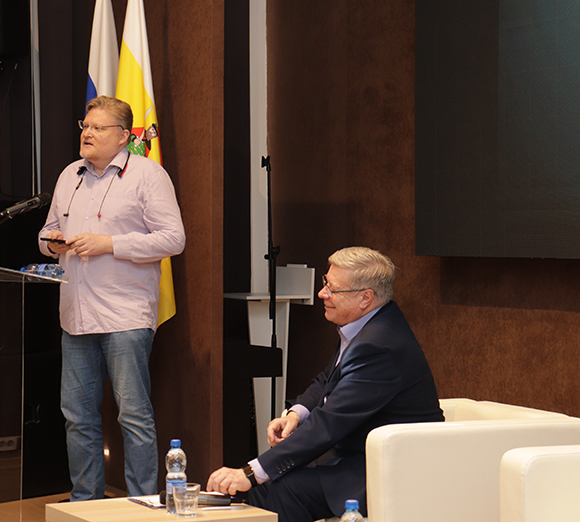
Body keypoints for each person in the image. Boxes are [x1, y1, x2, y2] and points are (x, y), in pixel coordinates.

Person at [207, 247, 443, 521]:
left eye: (333, 289)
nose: (322, 294)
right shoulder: (368, 323)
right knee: (267, 484)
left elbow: (329, 423)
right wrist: (296, 414)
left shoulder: (378, 346)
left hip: (392, 469)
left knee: (285, 488)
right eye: (325, 283)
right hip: (359, 455)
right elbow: (328, 379)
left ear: (365, 298)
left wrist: (250, 472)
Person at [38, 95, 186, 501]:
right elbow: (46, 232)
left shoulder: (147, 174)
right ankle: (86, 502)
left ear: (122, 136)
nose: (87, 133)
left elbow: (173, 239)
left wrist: (110, 244)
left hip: (125, 316)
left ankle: (142, 504)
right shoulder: (70, 175)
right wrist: (52, 243)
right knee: (77, 417)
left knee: (133, 417)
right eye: (85, 126)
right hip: (76, 315)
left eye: (97, 127)